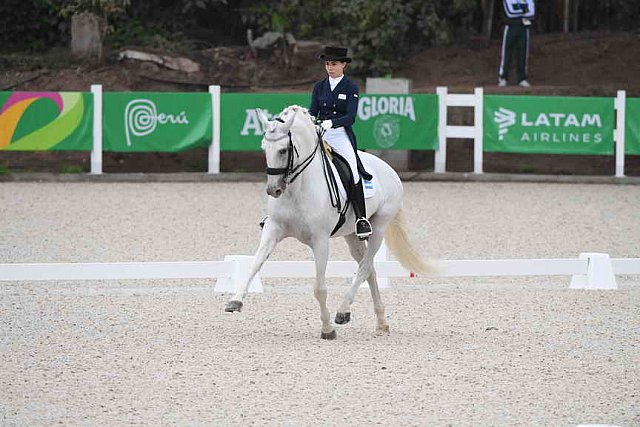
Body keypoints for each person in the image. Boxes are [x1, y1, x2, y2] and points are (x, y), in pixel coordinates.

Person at [309, 46, 373, 240]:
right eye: (327, 64)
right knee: (296, 161)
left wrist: (332, 123)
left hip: (340, 134)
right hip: (320, 133)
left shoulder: (351, 87)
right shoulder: (319, 86)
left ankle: (361, 218)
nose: (330, 67)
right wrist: (311, 121)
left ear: (343, 64)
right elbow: (313, 110)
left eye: (334, 64)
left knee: (352, 170)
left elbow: (351, 117)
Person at [498, 0, 535, 87]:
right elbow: (510, 12)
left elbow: (532, 12)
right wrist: (524, 10)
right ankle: (503, 77)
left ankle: (522, 78)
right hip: (511, 27)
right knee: (507, 53)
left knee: (523, 53)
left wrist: (520, 9)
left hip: (524, 28)